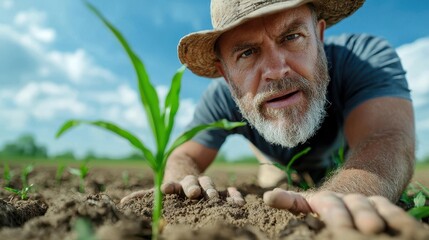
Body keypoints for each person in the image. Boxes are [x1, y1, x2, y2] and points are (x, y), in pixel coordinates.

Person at [122, 0, 418, 234]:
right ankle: (274, 169)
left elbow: (387, 138)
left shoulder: (367, 59)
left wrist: (347, 190)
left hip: (342, 159)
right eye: (247, 53)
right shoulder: (220, 99)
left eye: (292, 37)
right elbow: (184, 154)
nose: (277, 70)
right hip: (277, 158)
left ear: (319, 35)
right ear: (225, 73)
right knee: (276, 176)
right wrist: (182, 179)